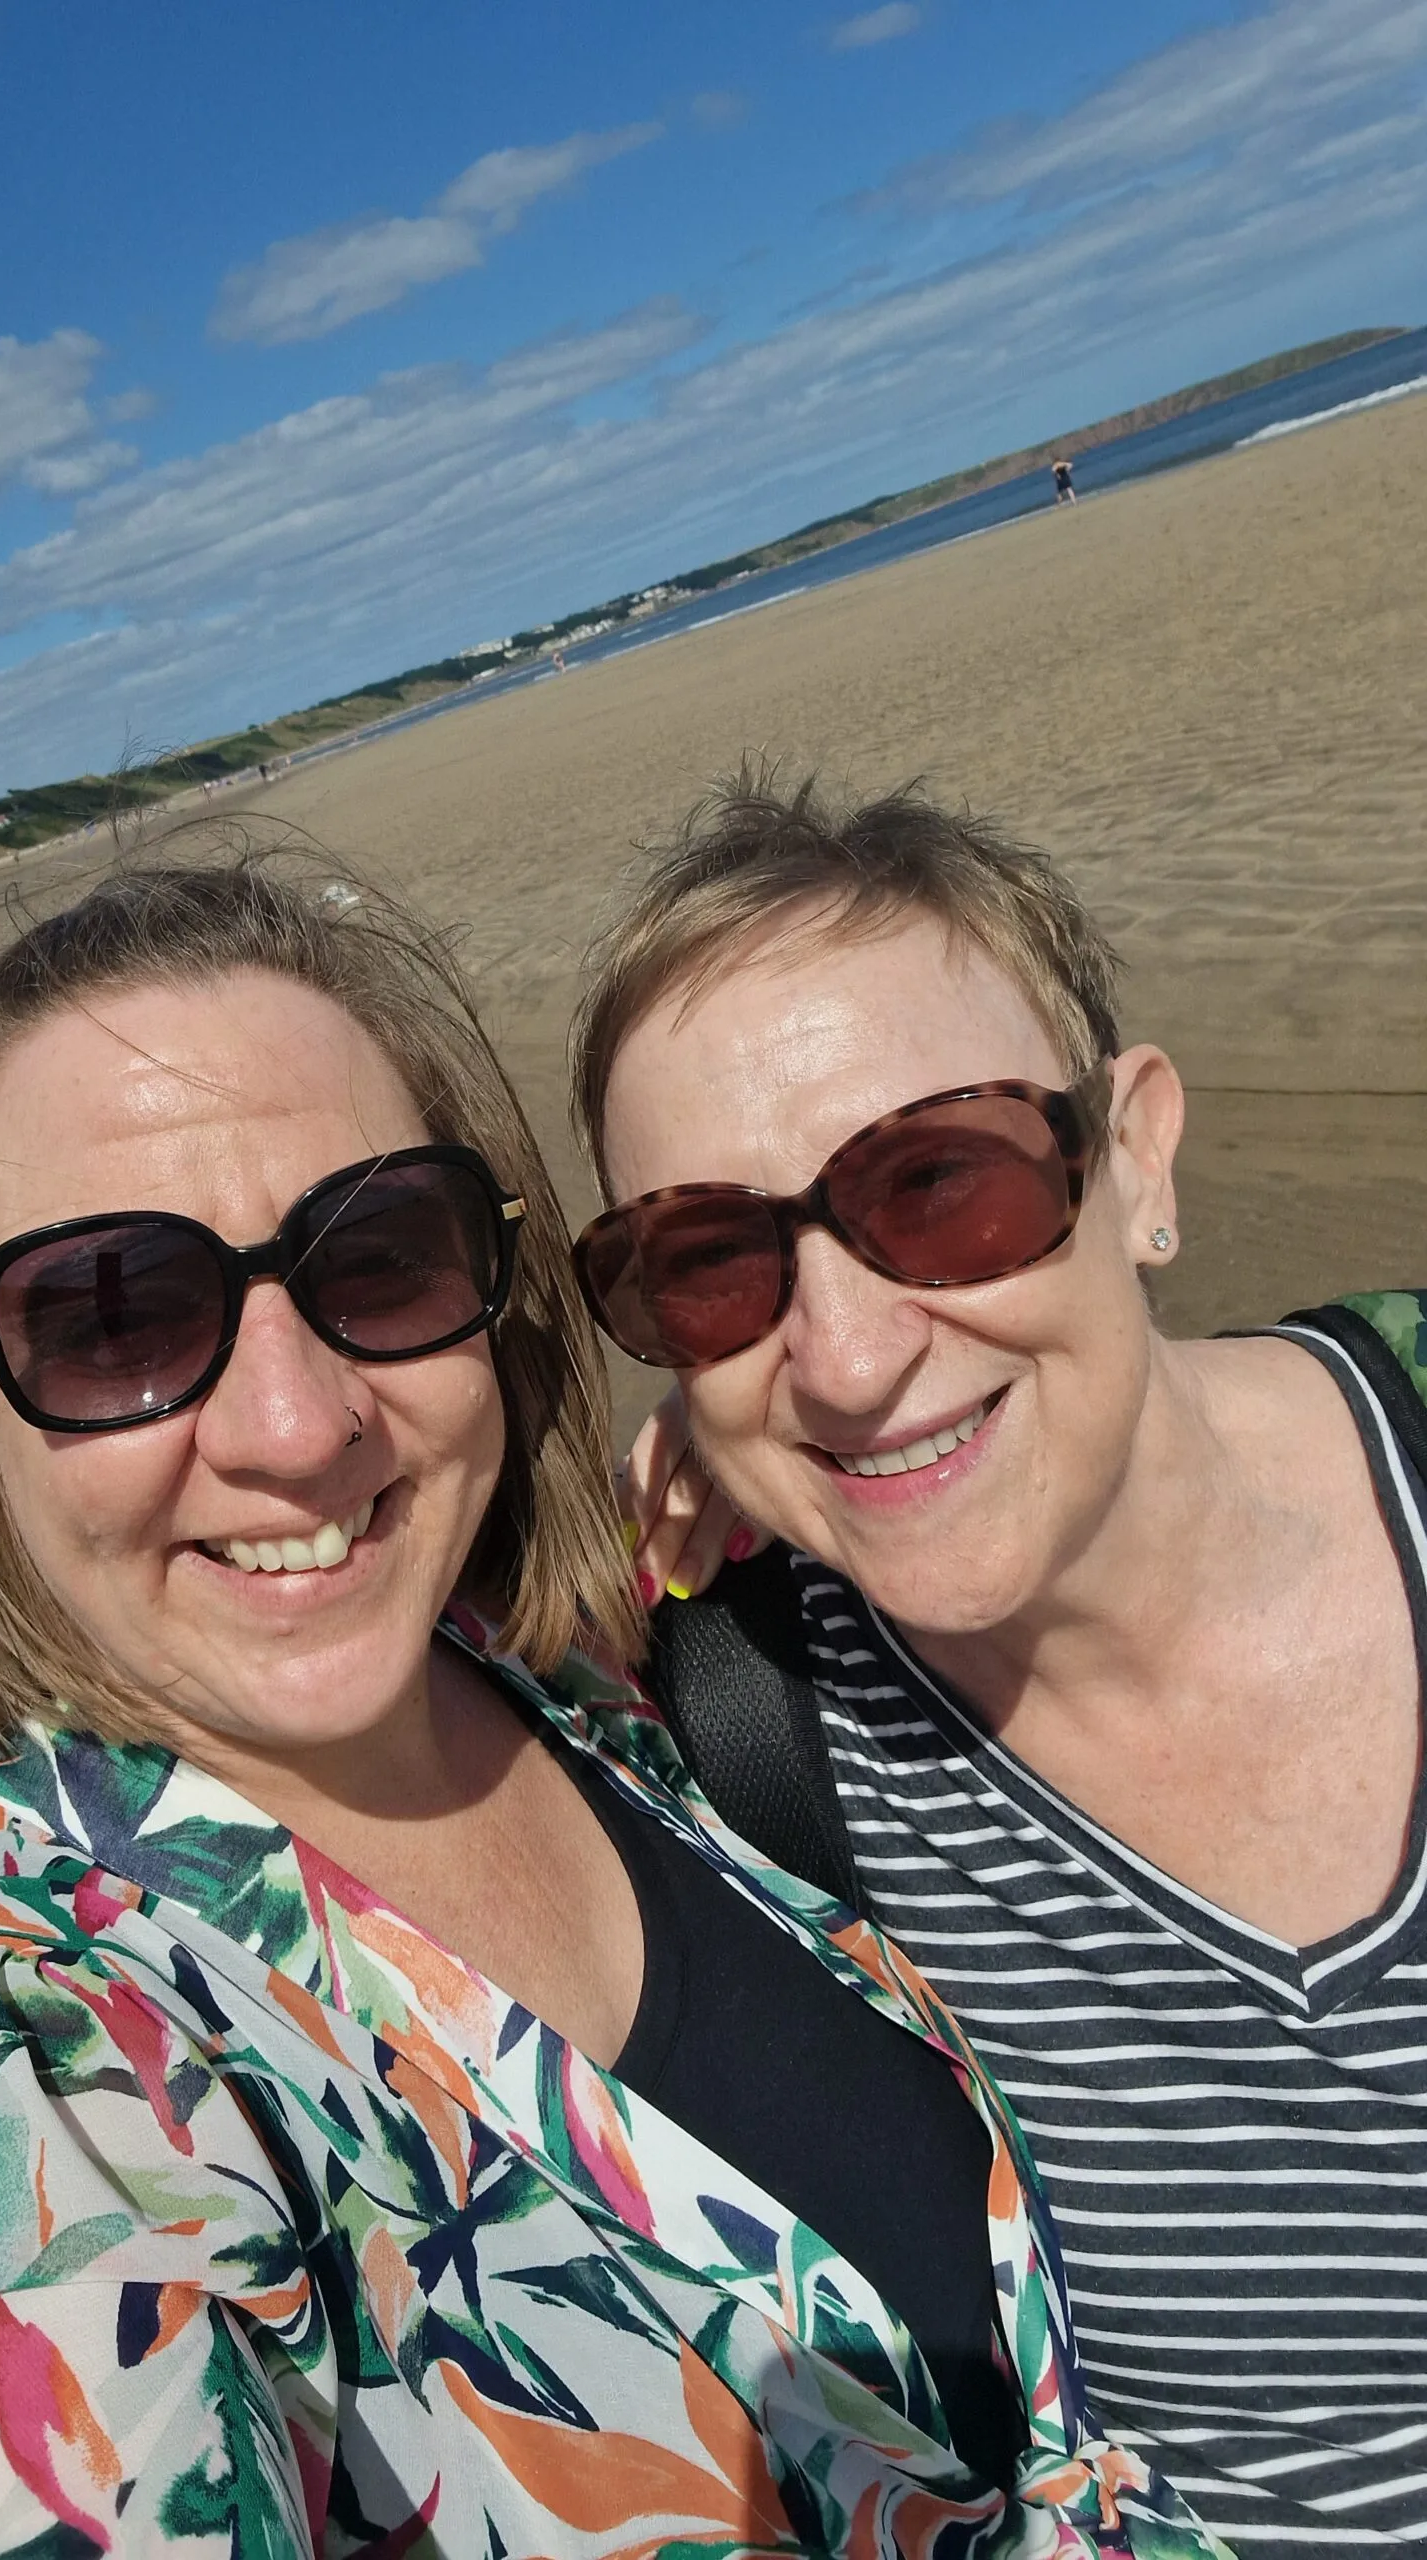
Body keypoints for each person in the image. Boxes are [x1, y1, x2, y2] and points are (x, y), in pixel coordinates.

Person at [0, 854, 1219, 2558]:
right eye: (111, 1316)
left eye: (380, 1259)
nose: (295, 1422)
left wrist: (776, 1461)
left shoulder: (543, 1665)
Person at [579, 766, 1427, 2554]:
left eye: (936, 1182)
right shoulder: (749, 1715)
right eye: (715, 1260)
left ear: (1134, 1157)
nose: (848, 1353)